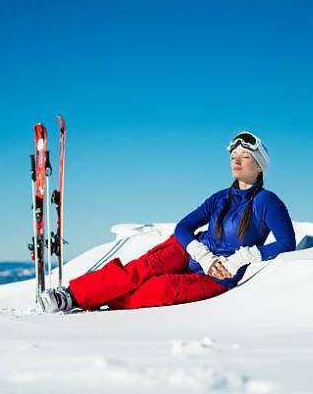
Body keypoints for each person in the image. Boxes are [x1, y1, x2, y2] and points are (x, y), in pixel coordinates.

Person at [38, 131, 296, 313]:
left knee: (161, 291)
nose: (236, 161)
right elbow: (183, 228)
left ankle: (95, 297)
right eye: (233, 156)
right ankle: (70, 296)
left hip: (221, 275)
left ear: (260, 166)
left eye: (245, 156)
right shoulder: (220, 198)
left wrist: (239, 259)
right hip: (189, 251)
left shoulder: (267, 202)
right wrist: (201, 254)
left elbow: (287, 243)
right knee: (139, 270)